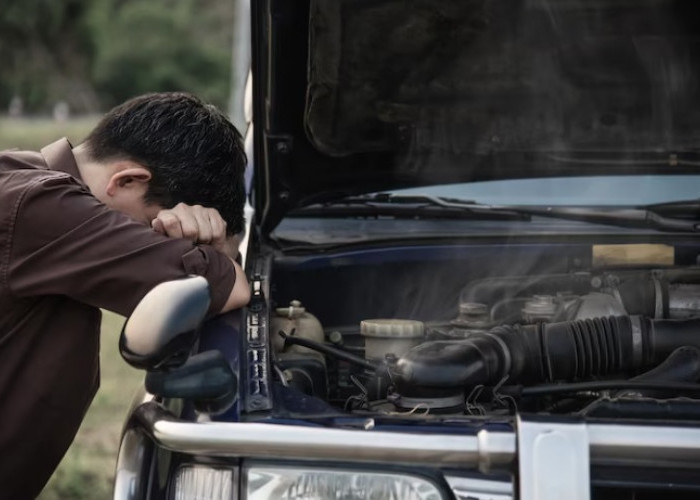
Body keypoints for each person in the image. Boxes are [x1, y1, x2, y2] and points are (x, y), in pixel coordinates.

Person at [0, 92, 251, 498]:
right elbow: (230, 286)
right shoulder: (43, 207)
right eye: (158, 230)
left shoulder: (21, 178)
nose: (152, 246)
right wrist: (215, 254)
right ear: (126, 181)